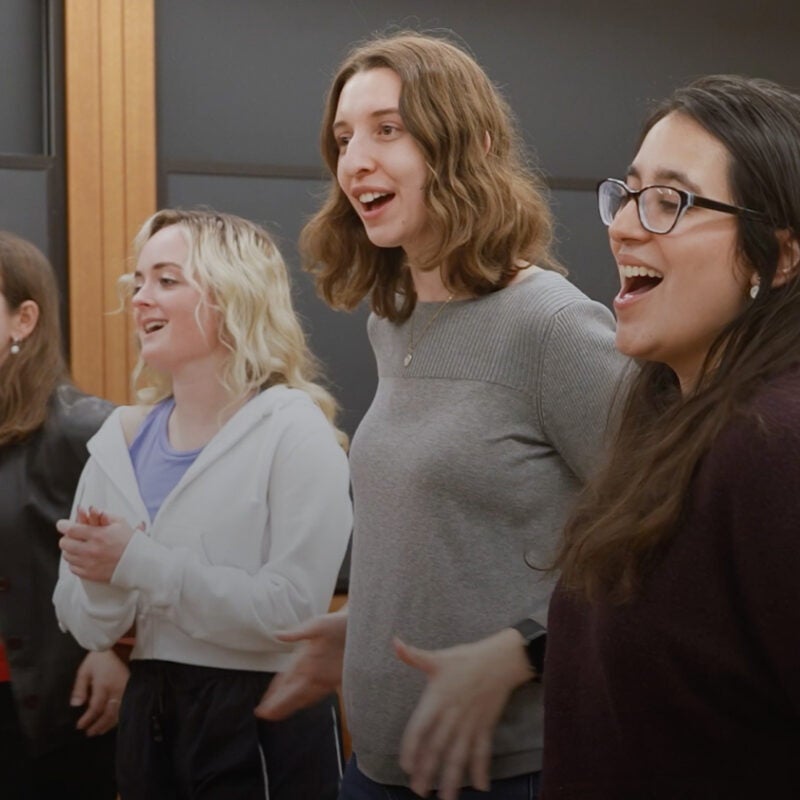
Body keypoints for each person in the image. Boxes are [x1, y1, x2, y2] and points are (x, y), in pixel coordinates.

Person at [256, 32, 629, 800]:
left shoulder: (551, 325)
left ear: (473, 145)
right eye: (344, 138)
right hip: (378, 767)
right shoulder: (392, 321)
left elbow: (666, 540)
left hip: (508, 774)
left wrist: (526, 654)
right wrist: (366, 625)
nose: (355, 161)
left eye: (387, 129)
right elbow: (454, 534)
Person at [541, 75, 800, 799]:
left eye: (670, 201)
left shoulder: (775, 446)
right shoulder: (667, 421)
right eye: (628, 195)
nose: (624, 226)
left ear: (780, 256)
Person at [53, 209, 353, 799]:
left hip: (263, 716)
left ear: (235, 297)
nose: (141, 298)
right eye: (139, 281)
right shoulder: (118, 441)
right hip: (149, 712)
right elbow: (84, 623)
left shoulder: (295, 431)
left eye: (167, 280)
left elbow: (291, 614)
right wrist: (104, 581)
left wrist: (137, 563)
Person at [0, 231, 125, 799]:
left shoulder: (86, 428)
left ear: (23, 320)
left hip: (47, 717)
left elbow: (152, 554)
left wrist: (117, 649)